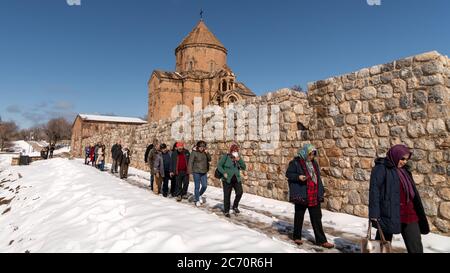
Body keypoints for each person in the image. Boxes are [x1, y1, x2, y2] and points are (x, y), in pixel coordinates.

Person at [369, 144, 429, 253]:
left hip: (409, 213)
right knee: (382, 246)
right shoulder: (381, 168)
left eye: (406, 159)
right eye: (402, 158)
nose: (404, 161)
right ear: (395, 155)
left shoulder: (405, 171)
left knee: (416, 246)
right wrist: (374, 214)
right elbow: (374, 191)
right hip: (388, 213)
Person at [285, 144, 334, 249]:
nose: (312, 157)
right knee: (299, 216)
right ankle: (297, 236)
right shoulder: (296, 162)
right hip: (302, 193)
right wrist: (299, 177)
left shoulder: (314, 163)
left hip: (313, 194)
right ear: (305, 153)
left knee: (317, 217)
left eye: (313, 155)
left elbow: (317, 177)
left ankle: (321, 240)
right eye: (310, 154)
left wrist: (321, 190)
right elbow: (289, 174)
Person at [217, 143, 246, 218]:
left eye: (236, 151)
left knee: (240, 192)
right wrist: (224, 173)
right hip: (227, 179)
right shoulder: (226, 157)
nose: (235, 152)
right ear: (231, 151)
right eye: (233, 151)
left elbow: (244, 167)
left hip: (236, 178)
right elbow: (219, 165)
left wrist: (239, 160)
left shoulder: (238, 158)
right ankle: (226, 211)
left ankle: (235, 206)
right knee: (227, 195)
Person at [188, 141, 211, 207]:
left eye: (203, 147)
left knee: (204, 186)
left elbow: (209, 159)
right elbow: (190, 162)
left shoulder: (205, 152)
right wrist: (190, 171)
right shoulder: (194, 152)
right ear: (198, 147)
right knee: (197, 187)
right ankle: (197, 200)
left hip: (204, 172)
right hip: (196, 172)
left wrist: (207, 153)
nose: (202, 148)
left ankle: (199, 195)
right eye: (200, 147)